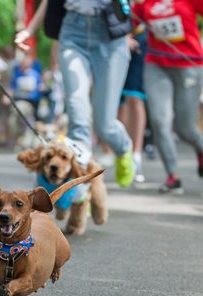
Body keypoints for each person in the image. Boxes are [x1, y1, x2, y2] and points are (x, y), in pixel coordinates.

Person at [15, 0, 137, 187]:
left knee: (104, 124)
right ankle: (82, 189)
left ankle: (123, 150)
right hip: (73, 31)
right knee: (77, 116)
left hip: (111, 33)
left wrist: (130, 30)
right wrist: (29, 30)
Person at [133, 0, 203, 194]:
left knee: (184, 127)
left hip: (190, 64)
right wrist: (129, 36)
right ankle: (173, 176)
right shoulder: (144, 2)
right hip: (157, 65)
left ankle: (201, 146)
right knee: (159, 121)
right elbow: (129, 25)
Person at [118, 23, 148, 183]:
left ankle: (135, 155)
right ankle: (123, 152)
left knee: (135, 98)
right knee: (119, 105)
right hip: (114, 37)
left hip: (141, 41)